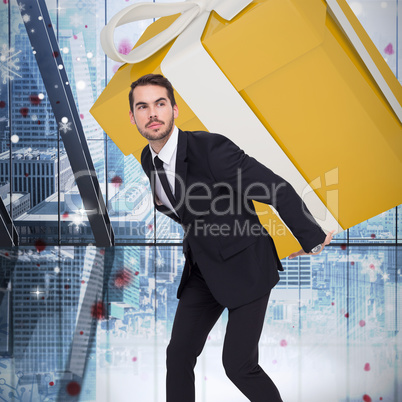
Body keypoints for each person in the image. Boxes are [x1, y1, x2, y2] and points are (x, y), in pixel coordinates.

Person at [128, 73, 334, 402]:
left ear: (174, 110)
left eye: (160, 104)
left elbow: (274, 188)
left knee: (238, 365)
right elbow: (174, 206)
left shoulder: (211, 149)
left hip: (246, 266)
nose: (152, 113)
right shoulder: (147, 158)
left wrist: (311, 237)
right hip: (203, 268)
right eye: (143, 106)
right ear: (133, 116)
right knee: (178, 356)